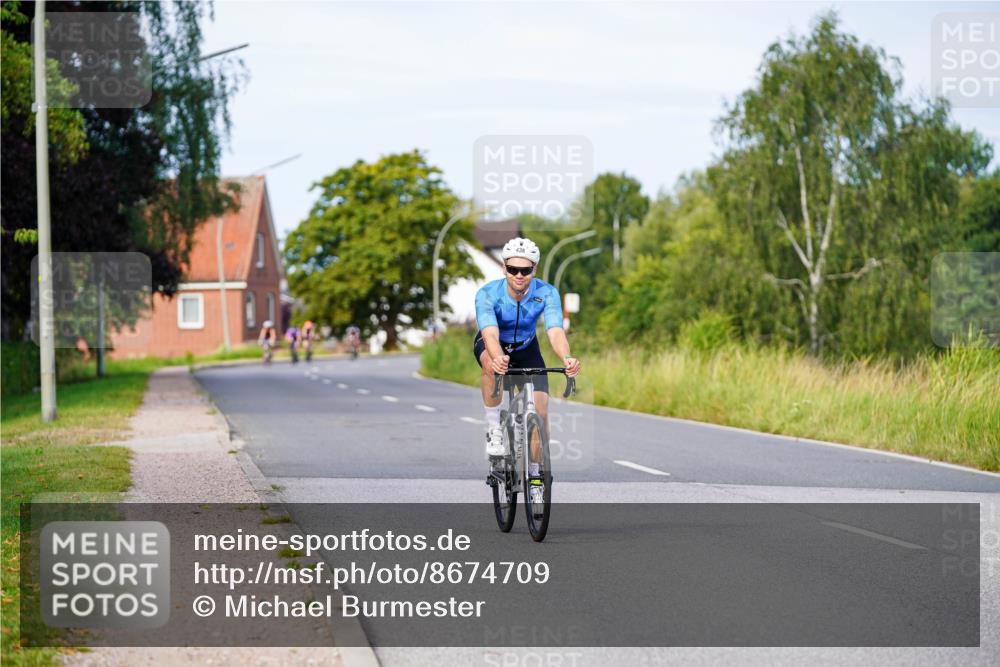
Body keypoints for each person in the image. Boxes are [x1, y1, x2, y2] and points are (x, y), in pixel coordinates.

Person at [474, 237, 581, 504]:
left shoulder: (546, 292)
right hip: (494, 344)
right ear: (504, 268)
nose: (519, 275)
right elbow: (489, 332)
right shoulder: (488, 294)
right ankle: (494, 430)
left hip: (527, 348)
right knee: (490, 363)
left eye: (526, 270)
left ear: (534, 269)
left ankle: (535, 475)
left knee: (541, 415)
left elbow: (555, 330)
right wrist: (498, 358)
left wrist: (567, 357)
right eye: (513, 269)